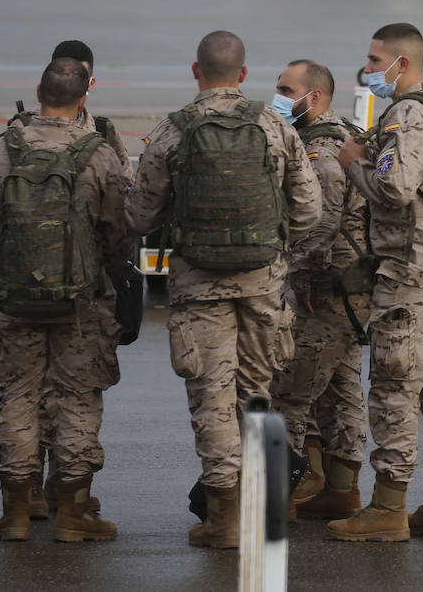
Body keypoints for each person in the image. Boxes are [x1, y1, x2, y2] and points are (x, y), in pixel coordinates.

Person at [126, 31, 321, 548]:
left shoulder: (173, 131)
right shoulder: (274, 125)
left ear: (196, 72)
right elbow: (309, 207)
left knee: (212, 398)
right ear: (243, 73)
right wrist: (276, 251)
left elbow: (140, 213)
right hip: (263, 283)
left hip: (198, 286)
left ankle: (223, 519)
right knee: (256, 393)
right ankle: (261, 505)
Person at [327, 23, 423, 543]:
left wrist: (353, 165)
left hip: (412, 275)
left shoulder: (408, 115)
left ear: (402, 64)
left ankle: (388, 508)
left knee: (394, 386)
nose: (368, 70)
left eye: (374, 60)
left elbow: (394, 187)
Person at [0, 58, 132, 542]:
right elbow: (117, 233)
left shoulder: (3, 149)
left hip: (15, 299)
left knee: (18, 398)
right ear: (84, 98)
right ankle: (72, 515)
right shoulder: (99, 153)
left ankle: (17, 513)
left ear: (38, 90)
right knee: (79, 400)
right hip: (82, 303)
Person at [28, 39, 132, 520]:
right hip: (63, 292)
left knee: (46, 392)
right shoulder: (100, 147)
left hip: (55, 290)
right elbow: (122, 225)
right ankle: (43, 495)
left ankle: (54, 493)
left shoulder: (13, 140)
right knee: (57, 395)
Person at [269, 60, 372, 521]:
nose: (278, 97)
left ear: (314, 97)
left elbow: (324, 219)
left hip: (330, 285)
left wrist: (300, 274)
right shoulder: (338, 135)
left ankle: (282, 493)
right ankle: (342, 489)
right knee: (341, 387)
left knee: (292, 390)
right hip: (350, 288)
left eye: (285, 89)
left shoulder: (322, 150)